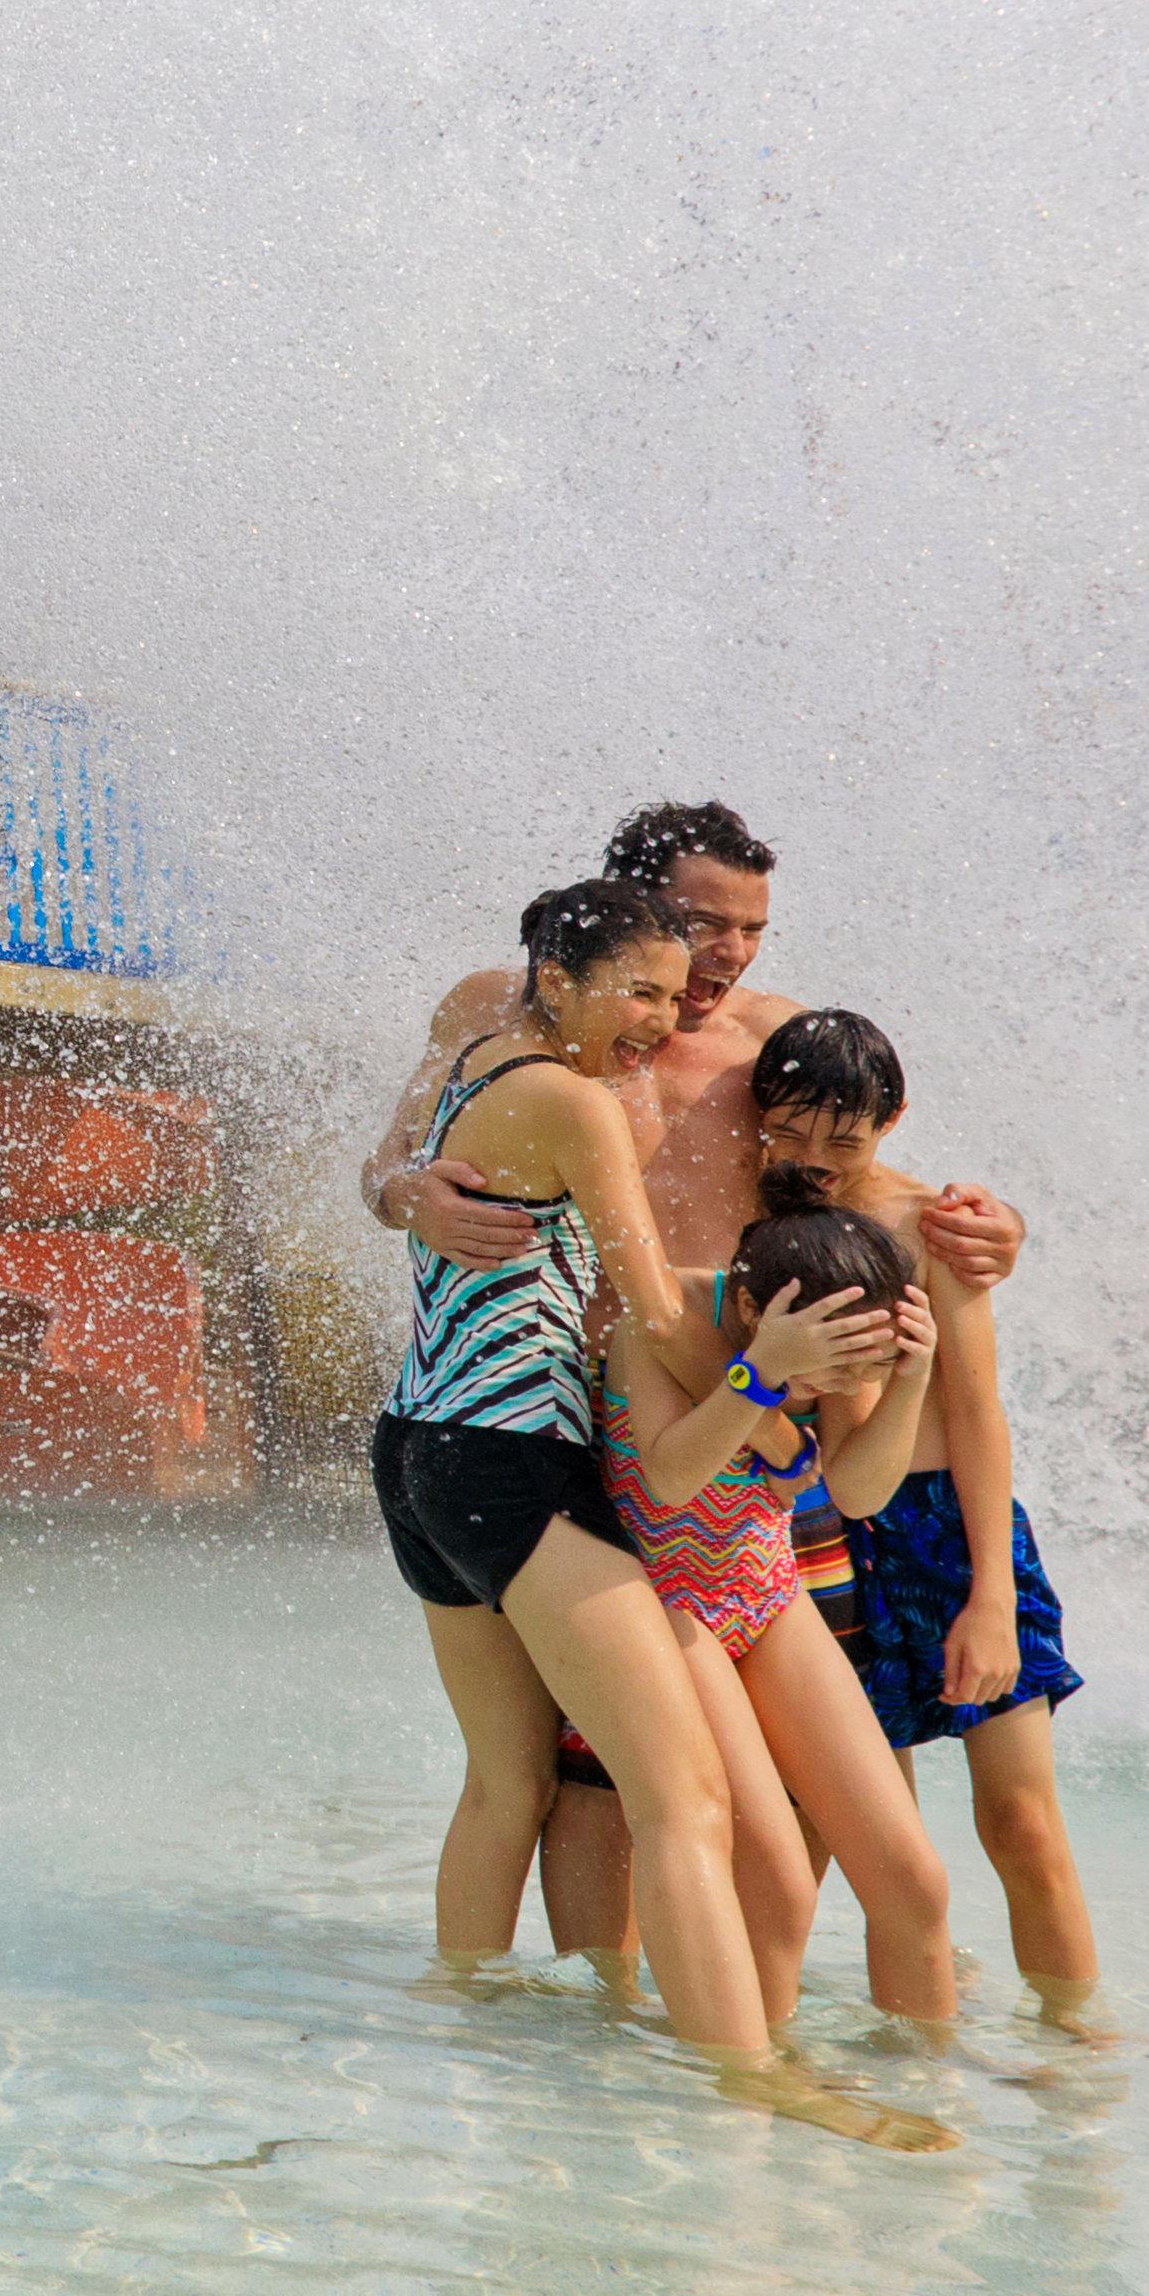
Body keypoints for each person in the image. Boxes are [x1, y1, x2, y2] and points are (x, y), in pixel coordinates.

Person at [360, 797, 1024, 1964]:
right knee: (597, 1771)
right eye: (700, 924)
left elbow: (848, 1167)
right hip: (565, 1426)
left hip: (742, 1424)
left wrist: (986, 1226)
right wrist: (404, 1194)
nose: (725, 955)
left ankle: (771, 2006)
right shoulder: (497, 1015)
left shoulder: (765, 1040)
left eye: (751, 928)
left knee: (801, 1776)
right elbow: (392, 1158)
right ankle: (611, 2018)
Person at [375, 877, 940, 2145]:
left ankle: (455, 2020)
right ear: (559, 980)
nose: (662, 1015)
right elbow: (651, 1296)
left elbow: (404, 1181)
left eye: (670, 992)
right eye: (638, 988)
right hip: (514, 1457)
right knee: (684, 1802)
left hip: (418, 1452)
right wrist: (771, 1379)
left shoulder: (474, 1063)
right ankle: (751, 2074)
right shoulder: (574, 1100)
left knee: (504, 1782)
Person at [750, 1008, 1102, 2014]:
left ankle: (1076, 2042)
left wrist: (993, 1592)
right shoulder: (759, 1212)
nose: (814, 1158)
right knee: (859, 1828)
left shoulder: (930, 1225)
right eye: (791, 1129)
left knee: (1022, 1823)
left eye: (844, 1140)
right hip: (818, 1535)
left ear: (891, 1122)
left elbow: (976, 1411)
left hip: (949, 1526)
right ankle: (907, 2033)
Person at [602, 1180, 966, 2041]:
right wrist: (762, 1373)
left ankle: (931, 2090)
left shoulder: (844, 1330)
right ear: (764, 1309)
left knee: (913, 1881)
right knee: (777, 1882)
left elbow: (857, 1491)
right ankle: (752, 2083)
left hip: (766, 1592)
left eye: (861, 1370)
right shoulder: (666, 1320)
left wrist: (907, 1380)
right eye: (837, 1370)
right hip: (668, 1608)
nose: (845, 1385)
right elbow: (669, 1475)